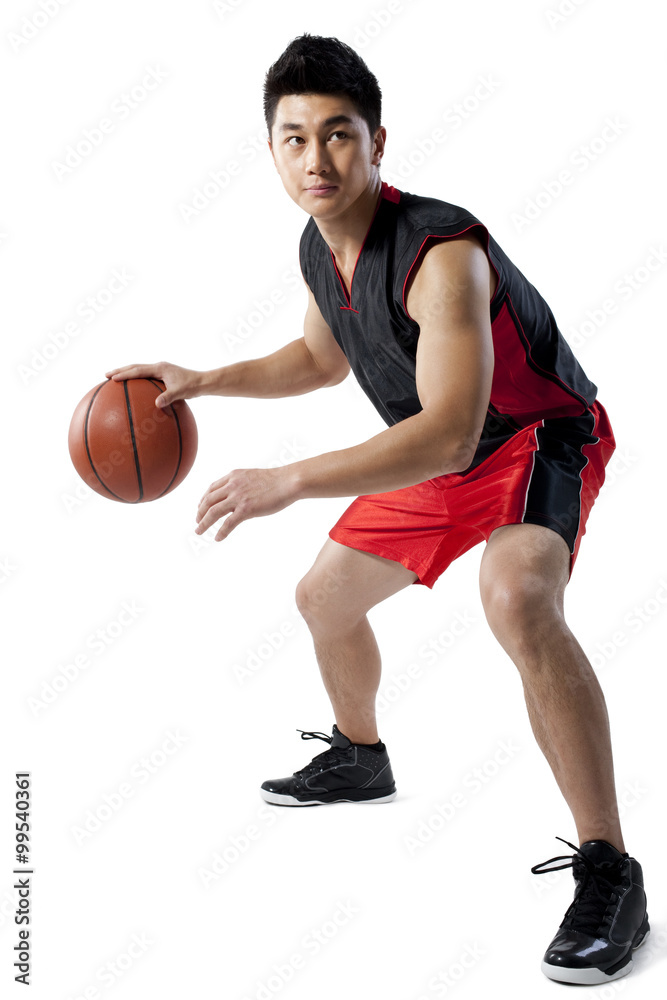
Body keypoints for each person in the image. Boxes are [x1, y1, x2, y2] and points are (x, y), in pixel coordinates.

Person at [105, 34, 649, 986]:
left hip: (534, 436)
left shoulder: (443, 254)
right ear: (272, 151)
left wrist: (288, 480)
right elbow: (320, 358)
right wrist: (204, 380)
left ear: (377, 142)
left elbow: (448, 435)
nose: (316, 158)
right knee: (323, 597)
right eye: (294, 138)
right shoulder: (320, 247)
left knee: (517, 598)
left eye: (338, 135)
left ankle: (610, 868)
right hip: (443, 445)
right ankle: (360, 757)